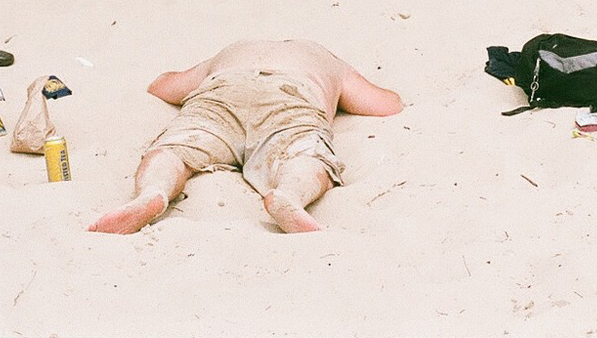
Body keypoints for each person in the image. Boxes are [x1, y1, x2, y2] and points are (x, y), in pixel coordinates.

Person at [89, 39, 403, 235]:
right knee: (304, 152)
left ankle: (153, 192)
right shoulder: (327, 60)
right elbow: (384, 105)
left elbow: (163, 87)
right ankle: (290, 195)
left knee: (177, 148)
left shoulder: (232, 51)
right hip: (290, 92)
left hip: (224, 86)